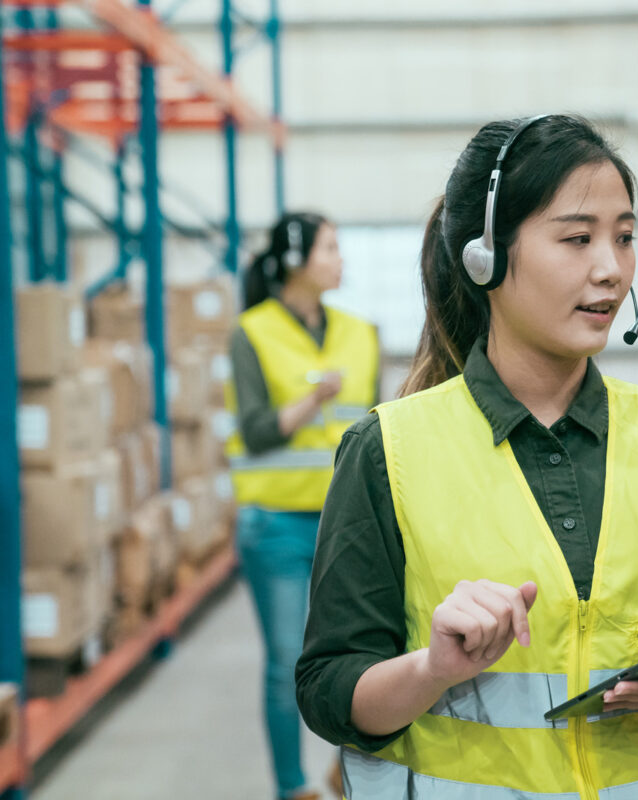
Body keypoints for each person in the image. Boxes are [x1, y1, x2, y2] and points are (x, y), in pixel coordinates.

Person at [295, 115, 638, 799]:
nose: (611, 269)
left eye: (624, 238)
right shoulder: (389, 451)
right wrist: (433, 668)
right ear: (486, 257)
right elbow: (329, 694)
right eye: (578, 238)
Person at [227, 211, 379, 800]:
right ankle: (293, 788)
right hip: (276, 527)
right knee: (287, 662)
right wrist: (313, 400)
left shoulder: (360, 332)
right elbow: (257, 430)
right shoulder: (253, 332)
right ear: (297, 261)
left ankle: (352, 769)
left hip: (347, 523)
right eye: (330, 248)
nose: (340, 260)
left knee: (364, 653)